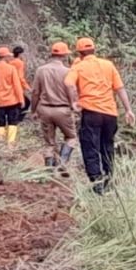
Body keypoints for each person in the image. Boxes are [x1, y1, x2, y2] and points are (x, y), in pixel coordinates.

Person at [65, 37, 135, 193]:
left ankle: (97, 184)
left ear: (80, 53)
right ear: (94, 50)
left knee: (90, 147)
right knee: (107, 147)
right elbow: (120, 88)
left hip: (91, 113)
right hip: (110, 114)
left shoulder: (79, 67)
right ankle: (109, 181)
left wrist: (74, 102)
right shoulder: (108, 65)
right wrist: (128, 110)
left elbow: (68, 83)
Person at [31, 42, 77, 175]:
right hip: (63, 110)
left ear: (52, 54)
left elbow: (35, 92)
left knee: (49, 142)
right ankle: (62, 163)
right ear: (64, 55)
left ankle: (49, 171)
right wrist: (73, 105)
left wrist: (33, 110)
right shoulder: (67, 72)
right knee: (71, 137)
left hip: (44, 109)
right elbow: (71, 91)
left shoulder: (41, 70)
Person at [0, 47, 25, 145]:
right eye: (8, 56)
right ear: (5, 56)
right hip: (12, 100)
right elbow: (17, 85)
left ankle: (1, 139)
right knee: (12, 121)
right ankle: (10, 141)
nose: (10, 57)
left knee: (0, 121)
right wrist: (21, 99)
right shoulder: (11, 68)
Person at [9, 45, 32, 112]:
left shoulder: (10, 62)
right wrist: (28, 87)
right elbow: (20, 77)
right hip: (18, 86)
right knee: (26, 102)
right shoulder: (20, 63)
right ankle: (18, 117)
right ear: (20, 54)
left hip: (10, 85)